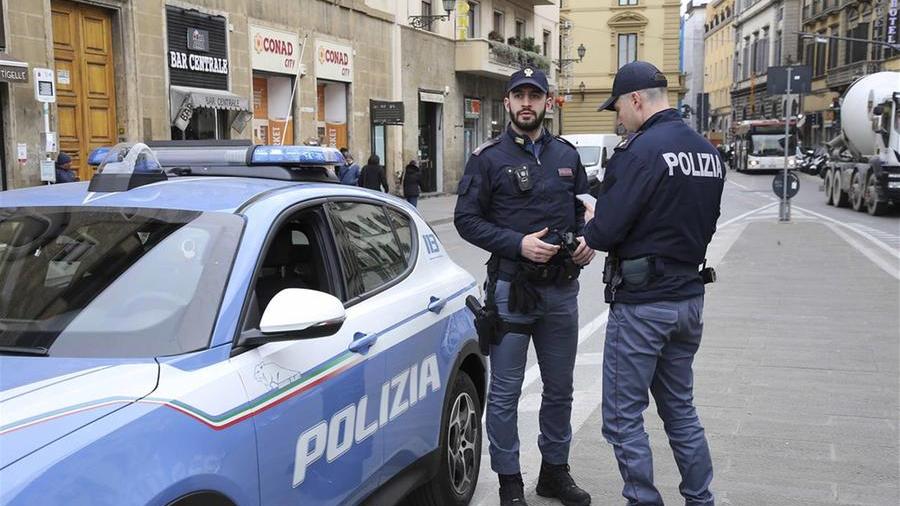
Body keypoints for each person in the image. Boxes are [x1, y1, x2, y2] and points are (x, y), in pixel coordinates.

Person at [581, 61, 723, 506]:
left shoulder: (638, 152)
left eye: (618, 109)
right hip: (688, 299)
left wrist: (593, 219)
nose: (618, 118)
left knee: (622, 418)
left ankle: (643, 500)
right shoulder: (707, 152)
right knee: (680, 409)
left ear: (636, 100)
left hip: (643, 305)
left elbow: (605, 233)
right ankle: (700, 499)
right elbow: (705, 223)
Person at [454, 67, 595, 506]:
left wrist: (588, 241)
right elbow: (465, 220)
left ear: (547, 102)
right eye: (520, 96)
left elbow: (585, 209)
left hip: (561, 291)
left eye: (535, 95)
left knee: (560, 389)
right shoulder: (487, 158)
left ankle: (554, 473)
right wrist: (518, 244)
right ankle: (510, 483)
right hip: (511, 292)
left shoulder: (567, 155)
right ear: (508, 103)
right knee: (504, 395)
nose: (527, 103)